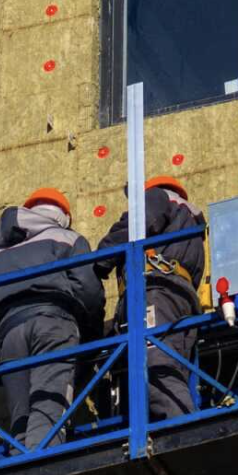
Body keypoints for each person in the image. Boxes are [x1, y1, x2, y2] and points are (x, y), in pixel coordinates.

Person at [0, 188, 105, 451]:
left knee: (21, 418)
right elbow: (89, 290)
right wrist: (92, 341)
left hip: (9, 337)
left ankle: (22, 464)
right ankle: (44, 468)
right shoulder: (67, 238)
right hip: (53, 323)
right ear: (63, 215)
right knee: (49, 407)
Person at [94, 175, 205, 420]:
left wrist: (100, 261)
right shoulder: (192, 227)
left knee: (156, 369)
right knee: (171, 369)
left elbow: (137, 224)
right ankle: (180, 423)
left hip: (153, 293)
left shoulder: (157, 197)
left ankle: (183, 431)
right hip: (178, 301)